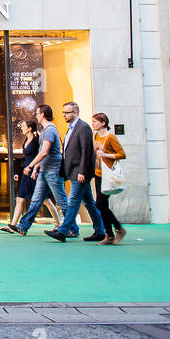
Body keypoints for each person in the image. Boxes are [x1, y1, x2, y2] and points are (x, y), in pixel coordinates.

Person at [47, 102, 107, 243]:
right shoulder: (71, 128)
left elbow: (86, 151)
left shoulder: (83, 128)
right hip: (73, 171)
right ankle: (100, 231)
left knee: (73, 201)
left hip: (79, 172)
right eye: (63, 112)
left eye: (67, 112)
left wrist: (82, 171)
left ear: (75, 113)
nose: (64, 115)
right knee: (89, 203)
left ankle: (63, 230)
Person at [5, 104, 68, 236]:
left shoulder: (50, 130)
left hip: (52, 170)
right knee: (36, 200)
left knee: (60, 201)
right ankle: (23, 226)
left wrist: (31, 166)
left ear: (43, 114)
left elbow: (44, 152)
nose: (36, 116)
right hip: (43, 170)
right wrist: (36, 167)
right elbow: (42, 153)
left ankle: (70, 228)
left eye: (38, 113)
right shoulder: (44, 131)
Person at [91, 112, 127, 245]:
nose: (93, 123)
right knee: (102, 205)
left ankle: (117, 228)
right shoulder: (96, 136)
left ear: (103, 123)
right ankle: (110, 235)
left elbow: (122, 154)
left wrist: (105, 155)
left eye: (95, 121)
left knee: (100, 204)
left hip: (108, 174)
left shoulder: (110, 137)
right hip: (99, 173)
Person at [0, 118, 42, 232]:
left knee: (45, 199)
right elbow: (24, 159)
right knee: (20, 199)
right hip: (25, 172)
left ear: (30, 128)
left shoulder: (36, 141)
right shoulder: (26, 140)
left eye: (24, 126)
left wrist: (35, 169)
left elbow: (39, 156)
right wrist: (18, 173)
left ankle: (58, 222)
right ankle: (12, 225)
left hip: (33, 172)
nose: (22, 128)